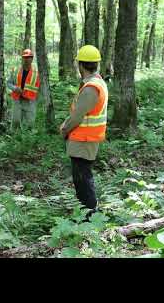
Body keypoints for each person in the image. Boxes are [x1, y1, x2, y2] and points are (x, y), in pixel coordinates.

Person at [59, 45, 108, 216]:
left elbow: (78, 116)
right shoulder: (97, 83)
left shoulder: (91, 88)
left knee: (83, 181)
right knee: (83, 179)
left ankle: (89, 217)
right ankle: (87, 215)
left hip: (83, 140)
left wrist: (64, 129)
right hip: (85, 140)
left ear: (80, 65)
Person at [6, 49, 40, 130]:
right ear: (22, 58)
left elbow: (40, 87)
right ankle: (14, 138)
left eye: (28, 57)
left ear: (32, 58)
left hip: (30, 101)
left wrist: (38, 99)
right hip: (17, 100)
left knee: (30, 124)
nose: (26, 59)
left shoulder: (37, 72)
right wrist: (15, 88)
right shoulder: (15, 70)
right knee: (15, 121)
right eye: (24, 57)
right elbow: (8, 83)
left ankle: (27, 139)